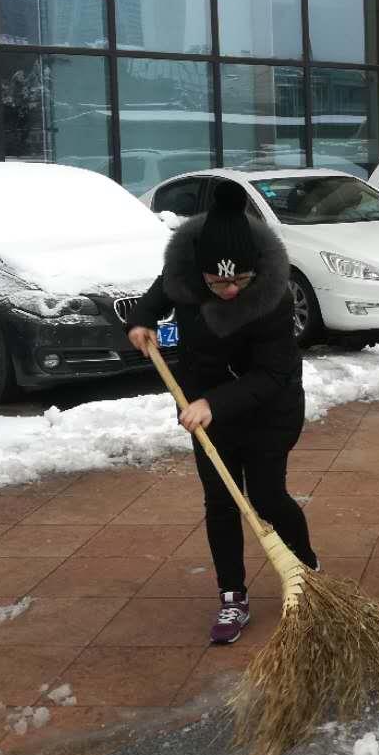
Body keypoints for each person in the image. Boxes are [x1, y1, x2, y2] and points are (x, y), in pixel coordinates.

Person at [126, 182, 316, 644]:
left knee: (267, 496)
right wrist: (141, 321)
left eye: (238, 281)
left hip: (269, 407)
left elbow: (272, 373)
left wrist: (213, 403)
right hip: (206, 407)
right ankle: (232, 595)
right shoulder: (185, 271)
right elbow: (159, 294)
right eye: (217, 282)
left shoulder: (273, 294)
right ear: (200, 271)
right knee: (221, 501)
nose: (230, 290)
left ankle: (307, 571)